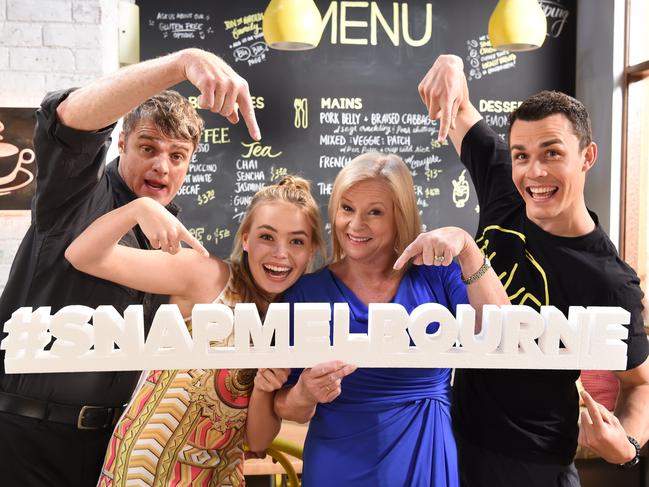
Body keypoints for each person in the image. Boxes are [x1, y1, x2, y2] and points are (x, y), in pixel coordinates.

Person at [0, 48, 260, 486]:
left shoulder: (172, 239)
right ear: (121, 143)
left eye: (177, 155)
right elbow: (67, 119)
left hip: (111, 448)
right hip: (26, 437)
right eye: (148, 147)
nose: (162, 165)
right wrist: (184, 63)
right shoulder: (76, 196)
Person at [418, 55, 649, 486]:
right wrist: (450, 62)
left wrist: (628, 445)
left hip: (535, 466)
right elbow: (458, 106)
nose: (534, 172)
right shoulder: (504, 183)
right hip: (453, 443)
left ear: (587, 156)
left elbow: (640, 384)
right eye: (521, 155)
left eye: (552, 153)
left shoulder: (609, 279)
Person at [65, 175, 325, 485]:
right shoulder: (208, 276)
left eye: (296, 241)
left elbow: (257, 442)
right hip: (144, 473)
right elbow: (82, 256)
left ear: (311, 251)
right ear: (245, 239)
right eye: (267, 237)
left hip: (220, 476)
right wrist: (138, 209)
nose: (280, 253)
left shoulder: (291, 319)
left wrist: (264, 388)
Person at [274, 152, 510, 486]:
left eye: (375, 212)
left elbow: (505, 336)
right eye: (347, 208)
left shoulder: (438, 276)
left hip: (427, 453)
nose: (356, 225)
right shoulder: (306, 292)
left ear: (399, 216)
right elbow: (286, 407)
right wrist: (305, 393)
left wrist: (469, 250)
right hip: (338, 465)